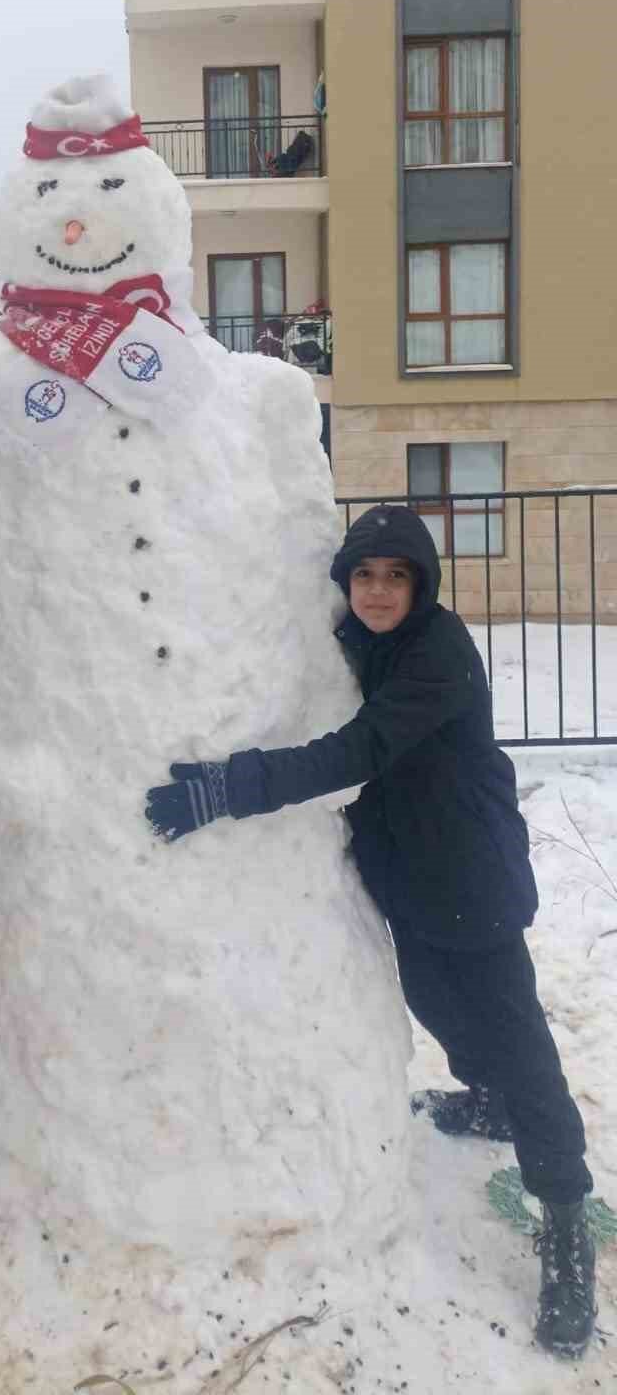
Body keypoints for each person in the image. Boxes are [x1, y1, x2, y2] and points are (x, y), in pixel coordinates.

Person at [146, 505, 597, 1359]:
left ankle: (566, 1221)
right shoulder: (369, 639)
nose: (379, 591)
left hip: (469, 874)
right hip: (410, 872)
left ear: (421, 585)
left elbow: (360, 748)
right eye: (364, 576)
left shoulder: (436, 653)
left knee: (521, 1044)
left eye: (396, 576)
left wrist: (232, 787)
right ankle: (485, 1097)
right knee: (433, 1000)